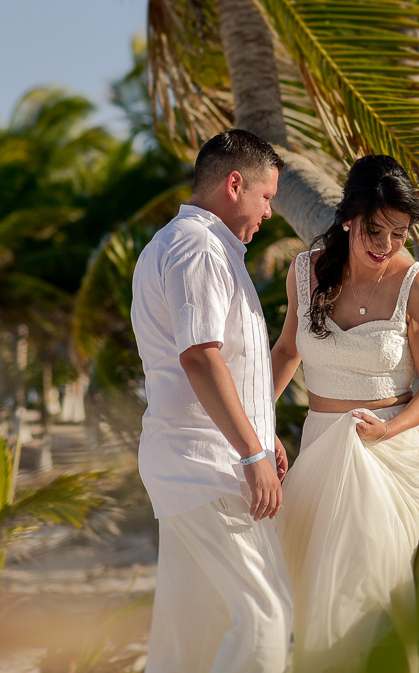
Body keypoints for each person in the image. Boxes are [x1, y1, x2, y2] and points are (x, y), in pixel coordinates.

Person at [272, 155, 419, 673]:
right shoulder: (306, 272)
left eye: (398, 233)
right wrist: (258, 423)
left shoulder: (416, 286)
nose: (386, 245)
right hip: (320, 442)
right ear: (348, 217)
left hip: (390, 448)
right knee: (309, 583)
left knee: (358, 576)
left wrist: (387, 429)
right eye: (376, 229)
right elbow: (287, 351)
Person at [132, 129, 293, 673]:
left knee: (192, 627)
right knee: (268, 616)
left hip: (194, 458)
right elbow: (199, 356)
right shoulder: (198, 247)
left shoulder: (196, 246)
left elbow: (230, 365)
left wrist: (259, 427)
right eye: (266, 196)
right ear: (234, 183)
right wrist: (251, 453)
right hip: (207, 464)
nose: (270, 212)